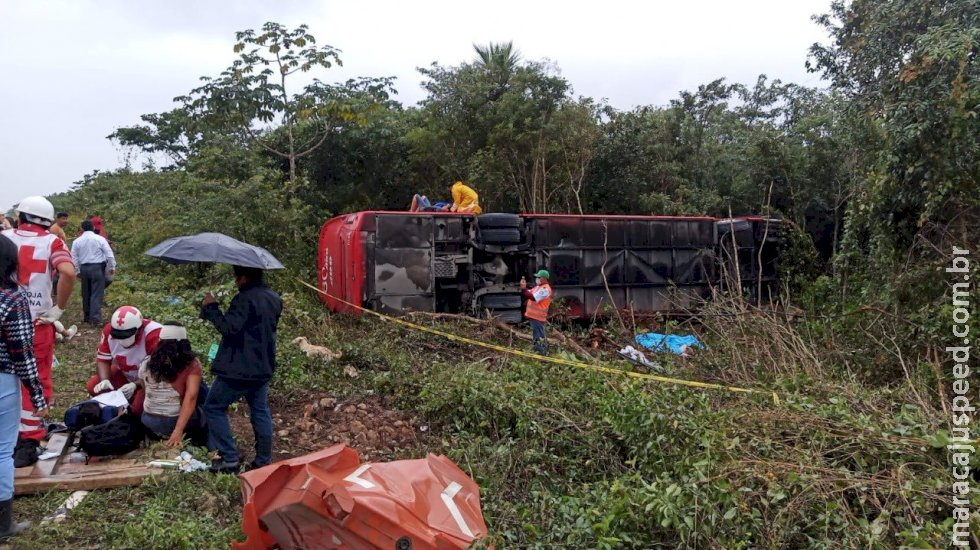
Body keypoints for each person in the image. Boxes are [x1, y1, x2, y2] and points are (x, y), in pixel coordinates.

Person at [1, 196, 75, 467]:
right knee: (36, 378)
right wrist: (59, 308)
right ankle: (28, 441)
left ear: (20, 216)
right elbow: (67, 271)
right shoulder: (53, 242)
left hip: (4, 316)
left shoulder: (5, 236)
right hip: (37, 322)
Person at [201, 265, 282, 473]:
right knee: (260, 410)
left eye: (237, 276)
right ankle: (263, 461)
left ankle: (229, 458)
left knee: (213, 406)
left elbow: (230, 328)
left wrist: (212, 308)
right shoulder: (274, 298)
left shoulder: (244, 299)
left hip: (238, 368)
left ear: (244, 277)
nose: (236, 281)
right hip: (263, 366)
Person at [0, 235, 48, 538]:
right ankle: (3, 525)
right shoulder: (12, 298)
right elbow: (21, 350)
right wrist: (36, 391)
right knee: (3, 452)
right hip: (3, 379)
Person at [139, 322, 207, 447]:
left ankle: (153, 436)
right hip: (172, 421)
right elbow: (191, 397)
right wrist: (178, 431)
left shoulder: (147, 361)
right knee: (205, 410)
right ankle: (202, 444)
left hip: (148, 421)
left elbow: (144, 387)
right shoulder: (191, 364)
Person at [86, 306, 162, 416]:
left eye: (126, 336)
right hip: (125, 374)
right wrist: (105, 380)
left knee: (138, 408)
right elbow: (103, 359)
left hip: (150, 380)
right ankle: (118, 404)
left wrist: (136, 384)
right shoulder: (108, 331)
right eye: (118, 336)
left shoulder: (153, 334)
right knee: (93, 386)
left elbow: (158, 372)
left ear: (138, 330)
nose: (121, 340)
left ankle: (131, 403)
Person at [71, 220, 115, 325]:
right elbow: (109, 254)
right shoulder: (100, 239)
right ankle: (95, 318)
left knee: (86, 292)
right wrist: (111, 266)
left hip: (84, 268)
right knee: (96, 293)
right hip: (97, 267)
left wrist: (76, 270)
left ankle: (86, 317)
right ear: (93, 228)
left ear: (82, 229)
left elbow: (74, 257)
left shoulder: (77, 241)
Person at [520, 269, 553, 355]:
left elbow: (533, 297)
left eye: (539, 277)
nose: (537, 279)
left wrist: (524, 289)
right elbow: (528, 293)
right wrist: (524, 288)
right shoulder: (538, 287)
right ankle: (538, 351)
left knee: (539, 336)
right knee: (537, 334)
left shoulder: (545, 289)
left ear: (544, 278)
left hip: (538, 316)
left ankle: (540, 353)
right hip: (534, 316)